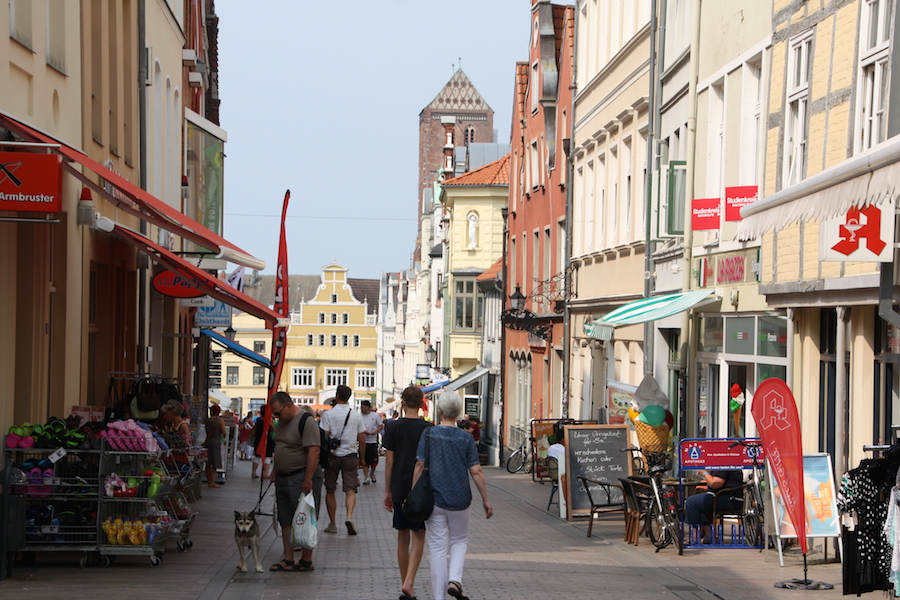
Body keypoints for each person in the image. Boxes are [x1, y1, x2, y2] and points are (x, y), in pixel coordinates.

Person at [412, 390, 492, 600]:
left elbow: (420, 465)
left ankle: (439, 597)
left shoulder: (428, 434)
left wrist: (413, 493)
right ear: (458, 413)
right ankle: (455, 580)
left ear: (439, 410)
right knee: (459, 540)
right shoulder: (465, 438)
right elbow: (476, 471)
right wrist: (485, 499)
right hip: (460, 498)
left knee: (437, 547)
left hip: (434, 499)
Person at [383, 386, 433, 600]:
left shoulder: (393, 427)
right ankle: (410, 581)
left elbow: (390, 461)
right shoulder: (429, 428)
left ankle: (405, 582)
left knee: (402, 537)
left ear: (403, 402)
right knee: (419, 536)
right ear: (421, 404)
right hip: (421, 487)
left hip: (399, 485)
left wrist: (387, 490)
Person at [267, 391, 323, 572]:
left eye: (278, 412)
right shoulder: (282, 422)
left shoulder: (306, 422)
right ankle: (288, 558)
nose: (277, 417)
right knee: (285, 518)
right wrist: (276, 469)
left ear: (289, 405)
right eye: (274, 414)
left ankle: (306, 559)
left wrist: (307, 480)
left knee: (303, 516)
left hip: (300, 476)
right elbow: (281, 446)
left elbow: (314, 451)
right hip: (283, 477)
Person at [320, 384, 366, 535]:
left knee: (330, 489)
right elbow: (362, 439)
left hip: (333, 456)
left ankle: (333, 523)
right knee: (351, 488)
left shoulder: (328, 414)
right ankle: (349, 516)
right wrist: (362, 458)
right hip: (350, 455)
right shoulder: (356, 415)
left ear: (337, 395)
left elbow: (324, 437)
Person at [684, 468, 745, 543]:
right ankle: (708, 534)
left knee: (692, 502)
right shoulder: (728, 463)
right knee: (700, 499)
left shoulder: (723, 465)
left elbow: (715, 483)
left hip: (729, 499)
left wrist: (703, 472)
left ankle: (695, 536)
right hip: (728, 497)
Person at [360, 400, 384, 485]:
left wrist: (375, 432)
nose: (361, 409)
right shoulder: (360, 416)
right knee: (364, 460)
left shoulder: (375, 416)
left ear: (367, 407)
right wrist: (363, 431)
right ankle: (366, 477)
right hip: (363, 440)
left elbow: (381, 425)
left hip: (373, 441)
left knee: (373, 461)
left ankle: (372, 473)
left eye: (362, 407)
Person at [204, 404, 227, 488]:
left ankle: (208, 480)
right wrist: (223, 438)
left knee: (208, 462)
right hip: (216, 442)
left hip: (208, 441)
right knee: (214, 463)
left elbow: (207, 431)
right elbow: (224, 432)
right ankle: (212, 482)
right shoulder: (220, 420)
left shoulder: (207, 420)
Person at [251, 404, 274, 479]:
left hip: (258, 439)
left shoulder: (258, 420)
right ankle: (266, 473)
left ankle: (254, 472)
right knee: (268, 456)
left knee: (257, 456)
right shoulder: (269, 420)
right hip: (267, 439)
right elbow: (272, 429)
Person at [547, 422, 567, 503]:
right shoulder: (564, 450)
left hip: (553, 475)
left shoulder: (551, 448)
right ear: (563, 439)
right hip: (562, 476)